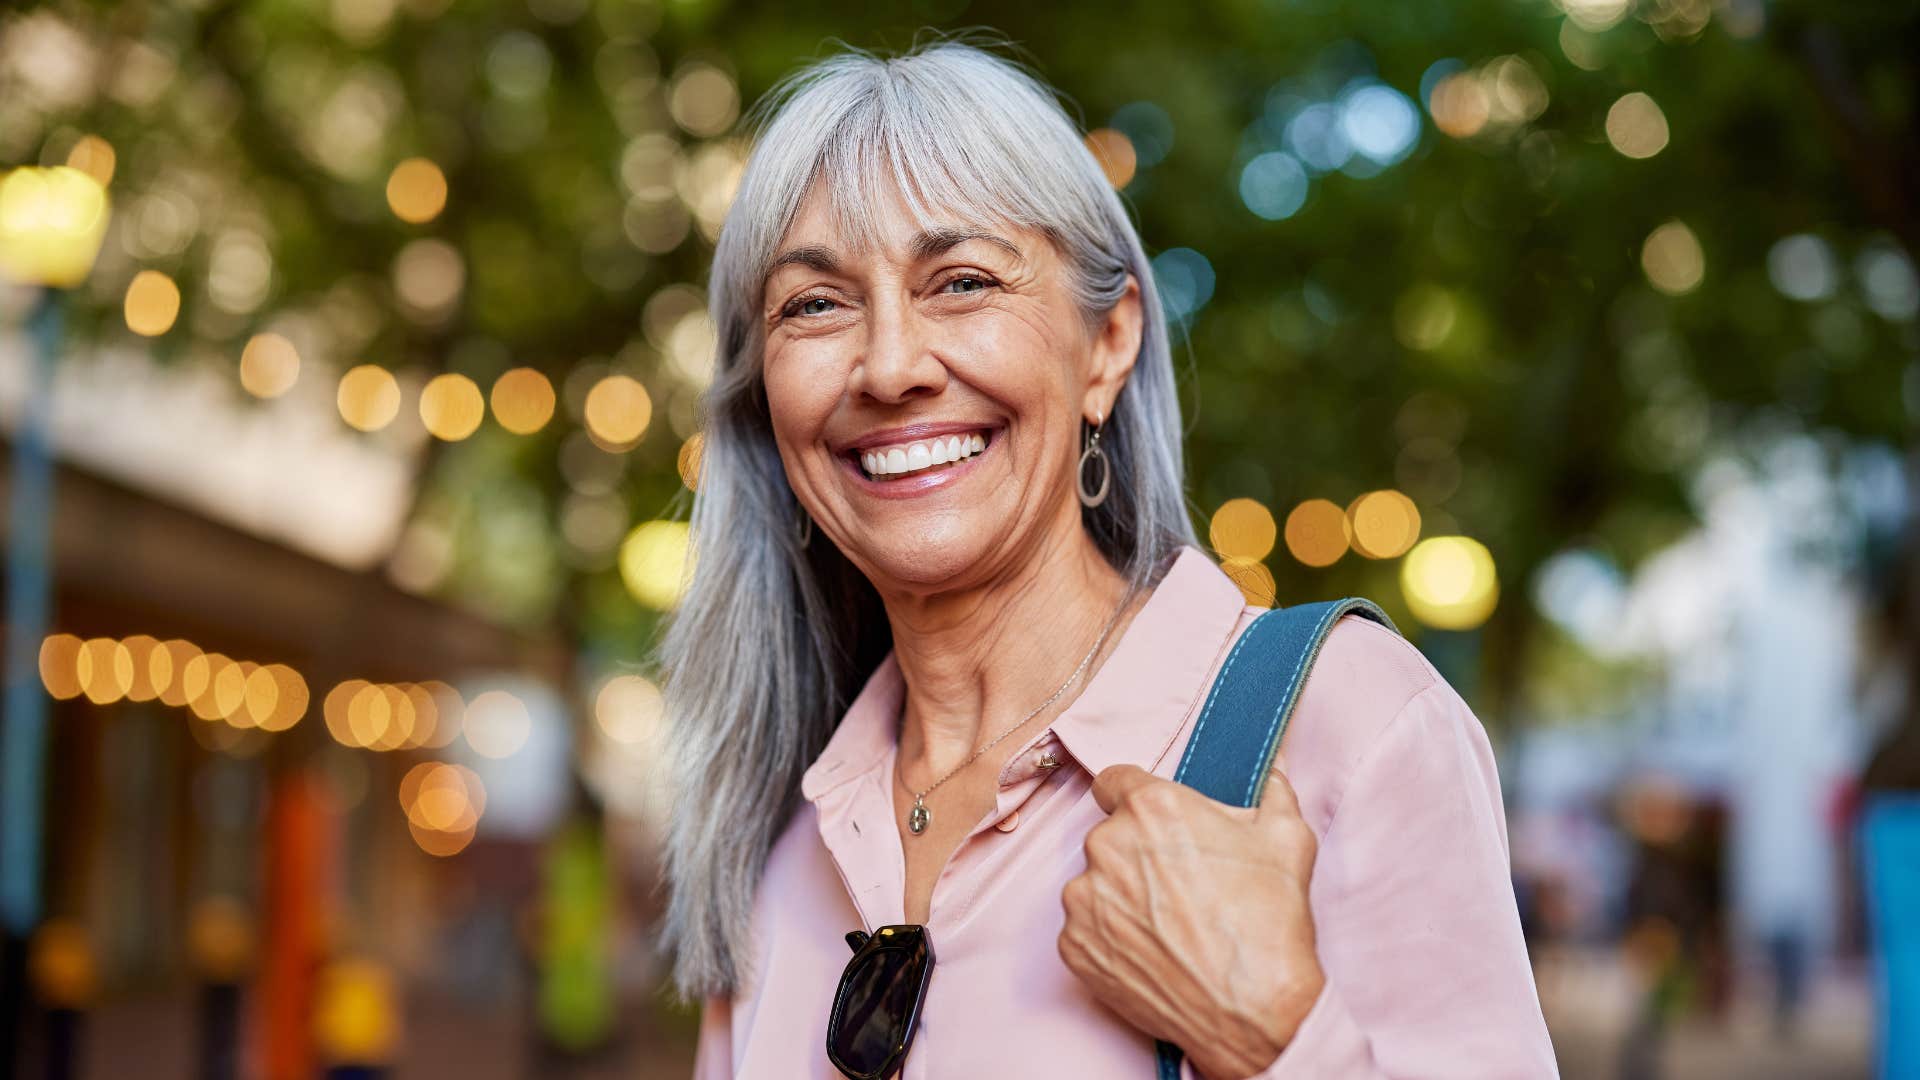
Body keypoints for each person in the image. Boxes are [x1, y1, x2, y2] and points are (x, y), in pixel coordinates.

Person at [658, 38, 1556, 1079]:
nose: (891, 365)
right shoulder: (779, 843)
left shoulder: (1351, 730)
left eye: (960, 281)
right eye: (814, 304)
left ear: (1110, 342)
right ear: (766, 399)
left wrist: (1268, 1032)